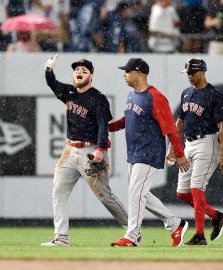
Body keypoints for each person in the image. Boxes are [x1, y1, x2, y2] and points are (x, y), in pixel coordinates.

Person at [42, 55, 128, 247]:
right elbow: (52, 83)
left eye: (84, 71)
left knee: (105, 196)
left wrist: (100, 150)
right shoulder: (70, 92)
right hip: (70, 151)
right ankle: (61, 237)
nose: (79, 72)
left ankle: (132, 230)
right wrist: (48, 69)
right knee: (58, 191)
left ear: (92, 76)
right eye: (76, 70)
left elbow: (102, 127)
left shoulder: (98, 99)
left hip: (91, 151)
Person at [109, 58, 190, 247]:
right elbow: (128, 119)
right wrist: (110, 127)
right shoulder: (131, 95)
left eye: (128, 71)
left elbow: (171, 128)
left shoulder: (156, 97)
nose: (124, 74)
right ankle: (175, 224)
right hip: (135, 152)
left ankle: (132, 236)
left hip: (149, 151)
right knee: (140, 194)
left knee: (136, 194)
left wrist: (179, 153)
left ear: (140, 74)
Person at [166, 58, 223, 245]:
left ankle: (200, 235)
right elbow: (180, 123)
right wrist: (173, 147)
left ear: (203, 72)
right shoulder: (186, 93)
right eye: (187, 72)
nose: (189, 75)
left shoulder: (214, 94)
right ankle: (216, 216)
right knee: (182, 193)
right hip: (189, 143)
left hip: (207, 142)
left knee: (196, 189)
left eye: (192, 72)